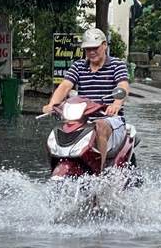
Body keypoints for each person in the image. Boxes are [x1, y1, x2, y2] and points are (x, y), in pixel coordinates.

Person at [42, 28, 130, 171]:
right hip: (83, 118)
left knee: (100, 125)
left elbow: (123, 86)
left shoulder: (117, 65)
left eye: (95, 48)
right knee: (60, 130)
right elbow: (65, 86)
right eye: (88, 49)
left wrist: (116, 104)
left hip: (110, 119)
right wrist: (52, 104)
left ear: (104, 45)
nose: (91, 52)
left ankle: (99, 174)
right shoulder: (78, 66)